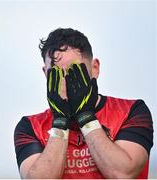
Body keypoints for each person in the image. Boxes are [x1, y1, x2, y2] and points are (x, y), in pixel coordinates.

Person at [14, 28, 153, 179]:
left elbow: (123, 174)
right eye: (57, 73)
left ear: (95, 68)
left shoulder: (131, 111)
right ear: (46, 74)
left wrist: (85, 116)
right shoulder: (30, 126)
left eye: (75, 71)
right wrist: (60, 122)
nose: (66, 81)